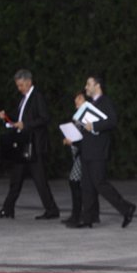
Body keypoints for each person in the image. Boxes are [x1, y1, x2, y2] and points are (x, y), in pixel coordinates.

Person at [67, 75, 135, 229]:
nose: (86, 87)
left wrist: (95, 126)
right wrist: (75, 136)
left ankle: (126, 208)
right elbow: (85, 128)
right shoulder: (90, 104)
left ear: (97, 85)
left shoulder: (105, 101)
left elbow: (112, 121)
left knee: (100, 183)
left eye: (88, 84)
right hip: (87, 150)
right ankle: (88, 218)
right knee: (87, 185)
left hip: (98, 151)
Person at [0, 69, 60, 220]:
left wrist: (26, 125)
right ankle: (7, 209)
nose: (19, 88)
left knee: (40, 179)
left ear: (29, 82)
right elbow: (19, 118)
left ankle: (52, 209)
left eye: (21, 85)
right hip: (23, 144)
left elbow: (44, 118)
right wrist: (7, 118)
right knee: (16, 178)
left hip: (34, 145)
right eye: (18, 85)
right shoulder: (24, 98)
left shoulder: (37, 97)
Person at [60, 91, 99, 226]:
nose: (77, 100)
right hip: (78, 153)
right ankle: (91, 214)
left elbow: (85, 138)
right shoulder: (76, 118)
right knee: (87, 184)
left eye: (80, 98)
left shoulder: (87, 118)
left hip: (84, 154)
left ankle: (78, 214)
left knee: (74, 181)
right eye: (76, 98)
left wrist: (73, 142)